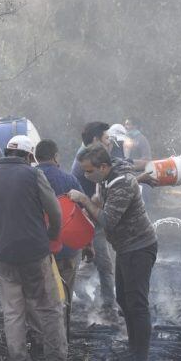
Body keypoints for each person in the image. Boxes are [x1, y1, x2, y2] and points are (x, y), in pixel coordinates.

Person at [0, 134, 78, 361]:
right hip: (35, 253)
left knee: (13, 313)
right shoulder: (33, 175)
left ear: (6, 151)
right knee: (50, 308)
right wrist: (53, 236)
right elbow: (54, 210)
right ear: (30, 156)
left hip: (4, 255)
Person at [68, 144, 158, 361]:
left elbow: (107, 220)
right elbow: (106, 196)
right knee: (123, 300)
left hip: (139, 247)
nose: (86, 175)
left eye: (89, 171)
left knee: (136, 303)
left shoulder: (122, 183)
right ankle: (133, 347)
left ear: (104, 166)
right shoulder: (108, 176)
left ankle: (140, 357)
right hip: (125, 247)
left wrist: (84, 200)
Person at [35, 139, 89, 307]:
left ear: (36, 157)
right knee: (64, 298)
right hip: (67, 250)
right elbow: (83, 213)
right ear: (56, 157)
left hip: (37, 251)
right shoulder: (69, 180)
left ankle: (40, 331)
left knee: (40, 298)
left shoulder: (28, 179)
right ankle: (62, 330)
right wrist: (88, 244)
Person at [71, 122, 117, 312]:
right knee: (103, 265)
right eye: (106, 138)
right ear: (96, 140)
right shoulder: (85, 164)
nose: (110, 142)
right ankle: (107, 305)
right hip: (90, 222)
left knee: (97, 263)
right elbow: (87, 200)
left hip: (92, 219)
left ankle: (89, 296)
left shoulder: (89, 157)